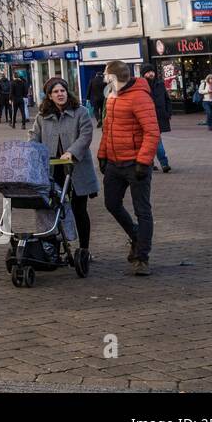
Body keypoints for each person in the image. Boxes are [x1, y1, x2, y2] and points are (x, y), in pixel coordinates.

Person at [97, 60, 160, 276]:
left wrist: (143, 161)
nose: (104, 79)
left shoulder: (140, 97)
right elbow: (108, 129)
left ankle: (142, 257)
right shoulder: (112, 97)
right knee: (111, 203)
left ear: (114, 77)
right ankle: (135, 235)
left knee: (142, 209)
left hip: (135, 163)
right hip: (115, 162)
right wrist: (102, 155)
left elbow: (152, 131)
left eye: (107, 76)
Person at [29, 77, 99, 265]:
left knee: (79, 209)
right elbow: (34, 136)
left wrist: (71, 152)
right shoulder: (42, 116)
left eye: (62, 91)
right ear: (50, 96)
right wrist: (30, 151)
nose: (60, 94)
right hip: (53, 171)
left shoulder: (80, 112)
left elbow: (85, 136)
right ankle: (54, 249)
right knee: (52, 210)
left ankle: (84, 249)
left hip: (76, 169)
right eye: (56, 92)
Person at [141, 67, 172, 172]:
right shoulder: (140, 86)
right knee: (156, 141)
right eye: (148, 72)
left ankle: (151, 163)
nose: (151, 74)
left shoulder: (160, 84)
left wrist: (168, 113)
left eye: (152, 71)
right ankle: (163, 163)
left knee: (153, 141)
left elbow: (167, 99)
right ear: (143, 74)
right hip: (146, 118)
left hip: (159, 116)